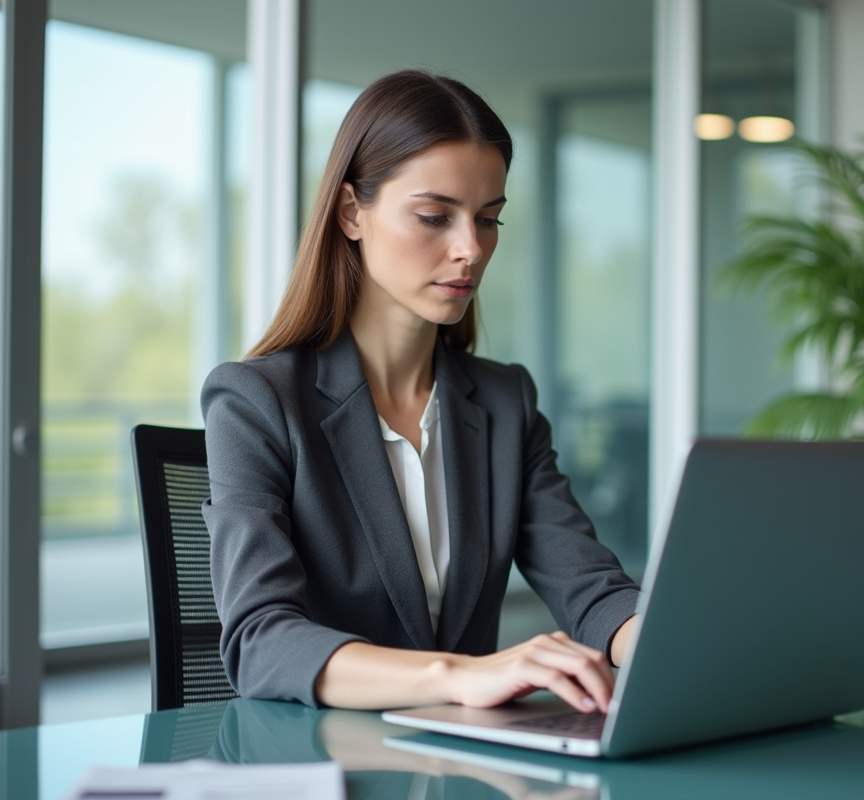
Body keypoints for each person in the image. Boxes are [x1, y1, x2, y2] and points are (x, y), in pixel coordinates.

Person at [201, 70, 640, 714]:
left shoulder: (504, 403)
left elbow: (592, 590)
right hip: (323, 761)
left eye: (488, 219)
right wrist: (458, 675)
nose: (470, 249)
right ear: (352, 212)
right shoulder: (256, 402)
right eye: (435, 216)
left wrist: (674, 643)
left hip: (460, 765)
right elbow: (262, 640)